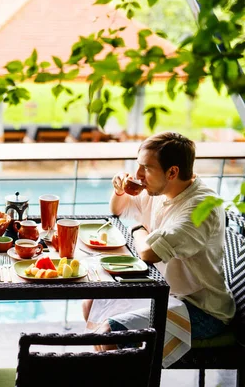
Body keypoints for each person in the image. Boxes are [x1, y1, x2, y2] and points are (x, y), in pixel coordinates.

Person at [84, 132, 235, 343]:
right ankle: (113, 370)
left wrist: (137, 228)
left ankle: (121, 371)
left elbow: (148, 253)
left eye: (146, 167)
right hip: (161, 290)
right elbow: (118, 210)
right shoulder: (162, 189)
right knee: (92, 302)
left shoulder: (200, 209)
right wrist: (119, 191)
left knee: (111, 332)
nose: (137, 173)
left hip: (200, 310)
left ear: (172, 172)